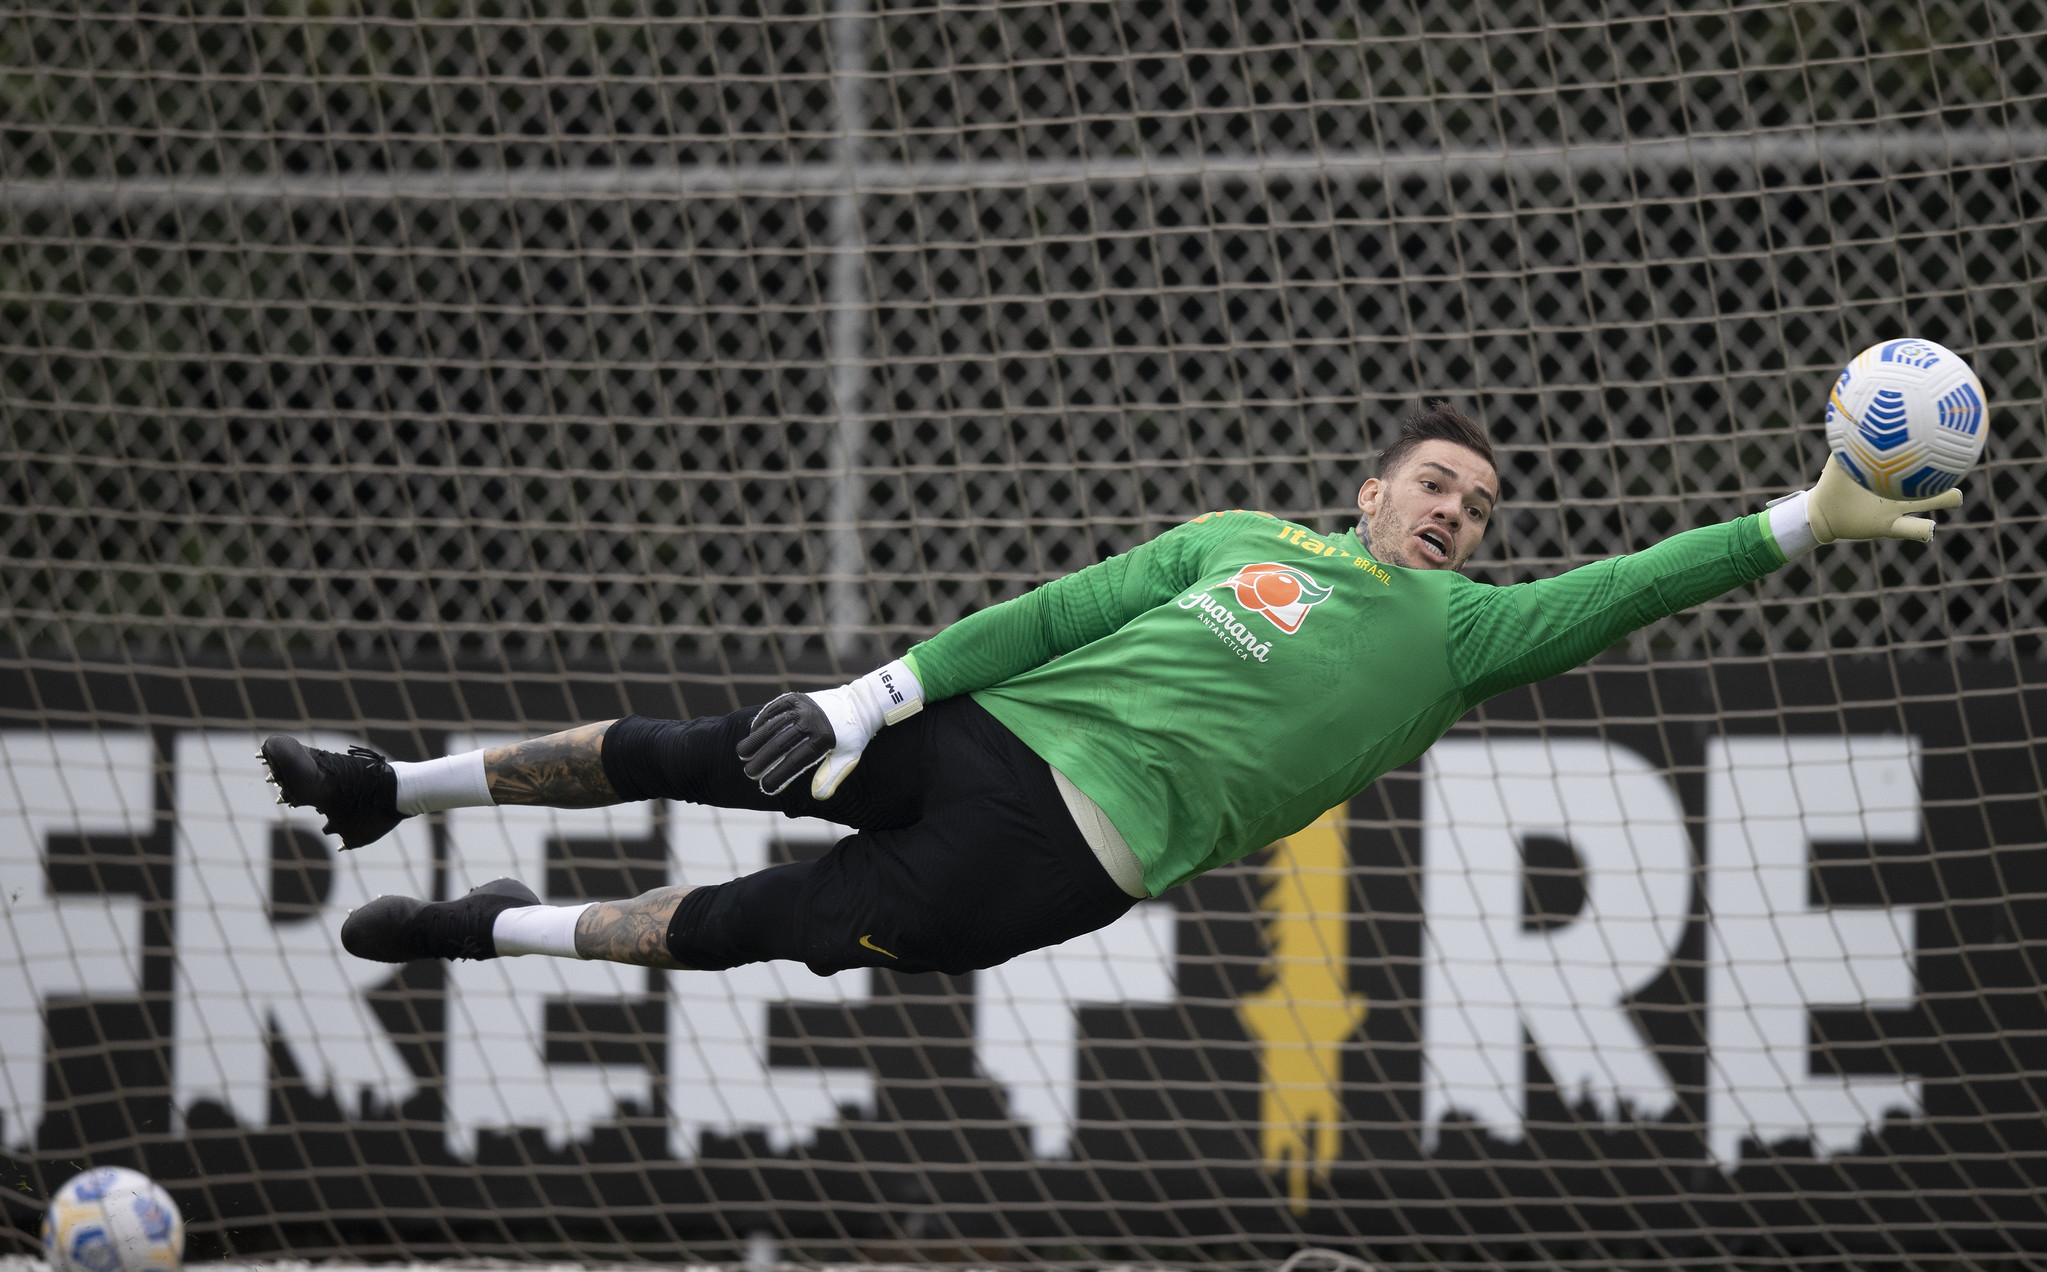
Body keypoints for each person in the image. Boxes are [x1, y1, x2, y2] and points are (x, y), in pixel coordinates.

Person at [260, 403, 1963, 977]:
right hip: (985, 729)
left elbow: (1635, 584)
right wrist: (873, 695)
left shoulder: (1461, 637)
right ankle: (389, 789)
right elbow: (1054, 607)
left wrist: (1804, 517)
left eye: (1481, 505)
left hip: (1069, 859)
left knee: (751, 927)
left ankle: (480, 929)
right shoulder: (1240, 538)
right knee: (698, 747)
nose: (1457, 510)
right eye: (1434, 482)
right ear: (1370, 492)